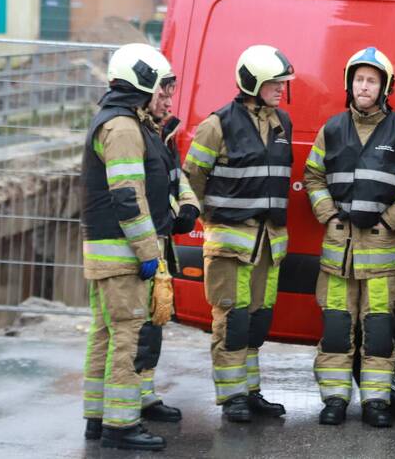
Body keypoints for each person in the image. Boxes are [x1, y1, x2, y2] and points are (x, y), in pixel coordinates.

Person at [304, 47, 395, 428]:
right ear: (349, 84)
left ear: (384, 87)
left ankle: (376, 402)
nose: (364, 86)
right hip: (338, 253)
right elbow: (313, 176)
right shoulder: (332, 129)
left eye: (371, 80)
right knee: (337, 331)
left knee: (378, 332)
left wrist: (392, 220)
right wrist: (327, 214)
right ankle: (335, 401)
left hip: (380, 252)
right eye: (358, 79)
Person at [182, 45, 295, 423]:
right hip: (231, 243)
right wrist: (206, 224)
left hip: (267, 242)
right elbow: (190, 181)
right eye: (274, 83)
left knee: (257, 322)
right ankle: (232, 398)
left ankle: (250, 391)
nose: (281, 89)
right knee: (232, 320)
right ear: (254, 83)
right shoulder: (217, 125)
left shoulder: (282, 123)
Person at [80, 43, 175, 451]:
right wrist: (149, 254)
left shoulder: (125, 123)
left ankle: (98, 419)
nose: (167, 97)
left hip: (110, 254)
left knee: (105, 335)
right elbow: (127, 198)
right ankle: (120, 426)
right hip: (123, 256)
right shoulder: (121, 128)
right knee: (126, 338)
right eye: (163, 88)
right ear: (144, 81)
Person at [133, 108, 201, 423]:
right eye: (163, 91)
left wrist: (188, 205)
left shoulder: (165, 132)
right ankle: (126, 402)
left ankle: (145, 395)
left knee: (154, 322)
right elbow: (136, 193)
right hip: (138, 245)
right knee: (133, 329)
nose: (168, 99)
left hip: (159, 241)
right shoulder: (133, 132)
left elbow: (175, 178)